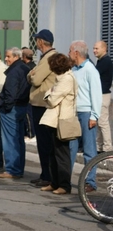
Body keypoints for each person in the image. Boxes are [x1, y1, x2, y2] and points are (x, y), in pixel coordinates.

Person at [39, 53, 78, 194]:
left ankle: (64, 185)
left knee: (62, 155)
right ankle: (54, 182)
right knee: (53, 153)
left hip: (62, 121)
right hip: (55, 121)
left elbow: (52, 99)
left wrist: (48, 94)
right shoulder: (61, 78)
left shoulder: (66, 79)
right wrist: (50, 93)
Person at [68, 40, 102, 193]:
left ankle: (91, 182)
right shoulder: (74, 69)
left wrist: (94, 116)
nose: (68, 54)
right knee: (70, 148)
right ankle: (64, 180)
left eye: (70, 51)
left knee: (89, 150)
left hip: (87, 113)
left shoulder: (90, 69)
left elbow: (96, 94)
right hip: (74, 113)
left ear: (76, 53)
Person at [28, 29, 57, 187]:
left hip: (43, 105)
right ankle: (45, 174)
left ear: (41, 41)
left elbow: (36, 78)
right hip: (41, 104)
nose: (36, 42)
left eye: (37, 40)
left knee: (45, 143)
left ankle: (48, 175)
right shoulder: (46, 57)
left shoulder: (48, 58)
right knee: (44, 143)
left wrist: (31, 75)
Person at [0, 47, 31, 179]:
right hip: (21, 107)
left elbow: (11, 92)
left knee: (10, 140)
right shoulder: (24, 68)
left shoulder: (14, 71)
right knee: (18, 140)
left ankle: (12, 169)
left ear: (16, 57)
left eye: (8, 56)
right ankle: (17, 168)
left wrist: (6, 107)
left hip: (12, 109)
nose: (6, 59)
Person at [93, 41, 113, 153]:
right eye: (94, 48)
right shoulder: (101, 61)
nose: (94, 50)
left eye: (97, 48)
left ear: (104, 49)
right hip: (100, 94)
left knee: (103, 122)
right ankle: (99, 146)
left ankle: (107, 147)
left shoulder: (106, 61)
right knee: (100, 122)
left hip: (103, 95)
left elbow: (95, 74)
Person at [22, 48, 36, 140]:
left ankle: (31, 134)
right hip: (30, 94)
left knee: (28, 116)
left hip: (28, 94)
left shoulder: (28, 68)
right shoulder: (34, 66)